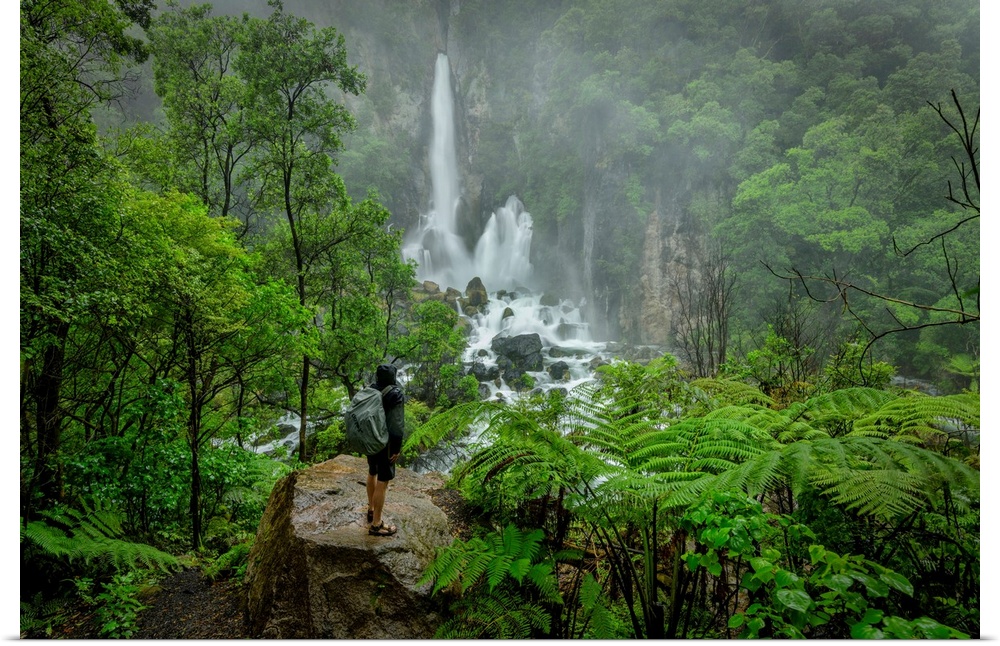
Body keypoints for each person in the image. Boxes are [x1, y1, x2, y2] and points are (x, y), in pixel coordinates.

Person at [366, 364, 405, 536]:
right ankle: (376, 524)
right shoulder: (395, 394)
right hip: (385, 443)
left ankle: (371, 509)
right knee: (383, 480)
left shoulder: (370, 390)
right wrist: (396, 448)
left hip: (371, 439)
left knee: (372, 471)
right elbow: (397, 424)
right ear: (393, 377)